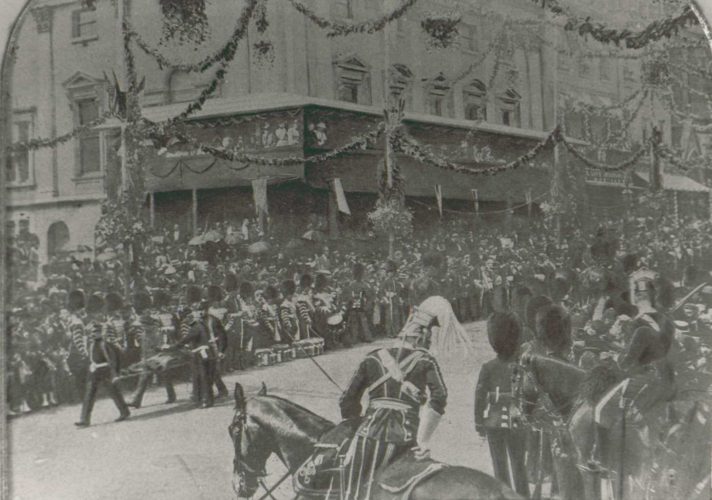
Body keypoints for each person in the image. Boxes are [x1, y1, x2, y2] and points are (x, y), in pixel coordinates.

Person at [295, 296, 462, 500]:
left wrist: (357, 420)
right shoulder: (425, 360)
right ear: (422, 336)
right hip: (406, 436)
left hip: (369, 434)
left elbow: (347, 400)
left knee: (350, 488)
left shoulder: (373, 357)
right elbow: (440, 396)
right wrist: (423, 440)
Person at [474, 312, 529, 497]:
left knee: (500, 467)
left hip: (494, 421)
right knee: (519, 465)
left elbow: (479, 398)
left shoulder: (488, 367)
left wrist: (479, 423)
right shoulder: (523, 365)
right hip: (518, 421)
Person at [75, 294, 130, 427]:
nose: (97, 315)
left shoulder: (103, 325)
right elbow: (90, 344)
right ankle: (85, 419)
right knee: (91, 391)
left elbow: (108, 345)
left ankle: (123, 411)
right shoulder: (92, 325)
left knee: (109, 389)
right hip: (96, 363)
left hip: (104, 362)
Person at [128, 292, 176, 408]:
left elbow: (158, 333)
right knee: (151, 374)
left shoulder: (151, 321)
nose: (148, 311)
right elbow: (139, 338)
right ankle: (170, 395)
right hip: (147, 352)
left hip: (153, 351)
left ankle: (137, 399)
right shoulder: (140, 322)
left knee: (152, 374)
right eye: (146, 309)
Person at [176, 286, 215, 408]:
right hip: (199, 351)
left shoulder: (198, 323)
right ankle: (199, 398)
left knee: (203, 376)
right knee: (199, 375)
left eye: (198, 310)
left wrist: (177, 346)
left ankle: (205, 399)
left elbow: (187, 338)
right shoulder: (197, 322)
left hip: (201, 352)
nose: (197, 312)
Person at [205, 284, 229, 399]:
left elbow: (221, 333)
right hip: (208, 344)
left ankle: (218, 391)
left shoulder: (215, 315)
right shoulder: (208, 313)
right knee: (211, 370)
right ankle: (220, 390)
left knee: (212, 370)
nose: (216, 303)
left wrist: (221, 349)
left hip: (215, 344)